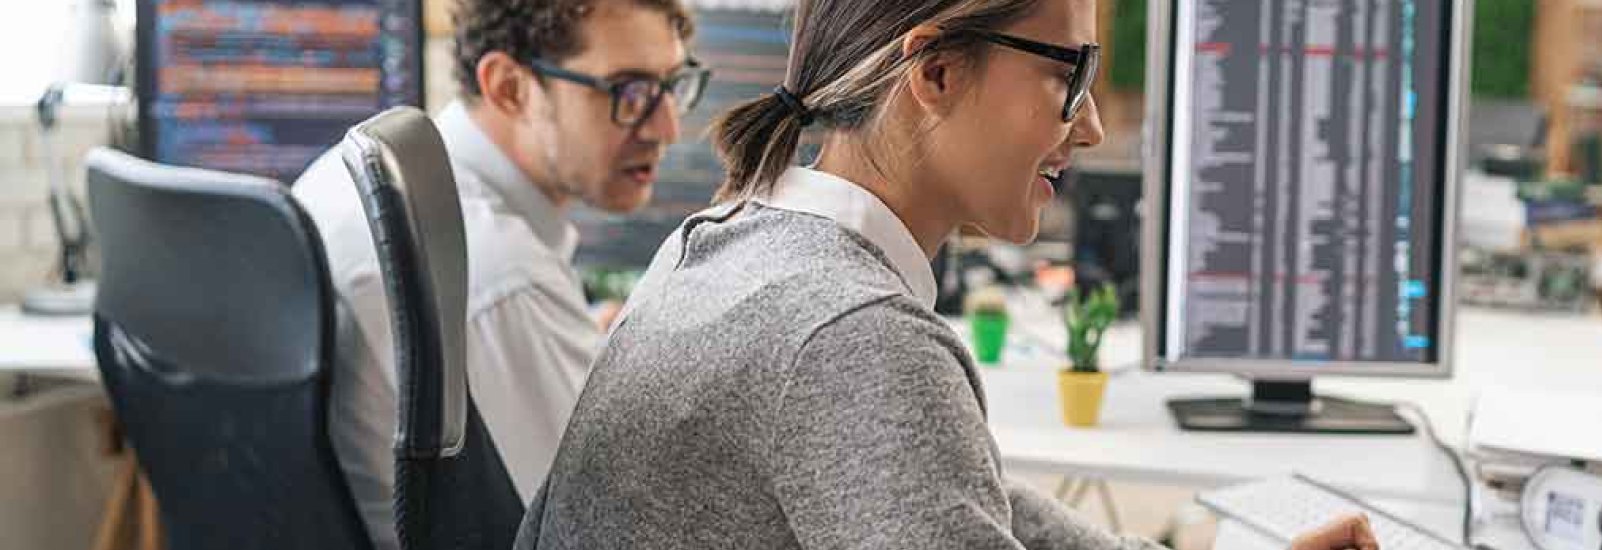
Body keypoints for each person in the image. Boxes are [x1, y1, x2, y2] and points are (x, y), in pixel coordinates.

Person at [516, 0, 1382, 548]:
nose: (1086, 130)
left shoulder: (728, 234)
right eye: (1067, 76)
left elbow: (972, 505)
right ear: (931, 70)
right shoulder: (849, 338)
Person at [290, 0, 706, 547]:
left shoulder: (366, 172)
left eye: (672, 84)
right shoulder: (506, 282)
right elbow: (612, 531)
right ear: (510, 88)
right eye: (628, 91)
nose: (667, 127)